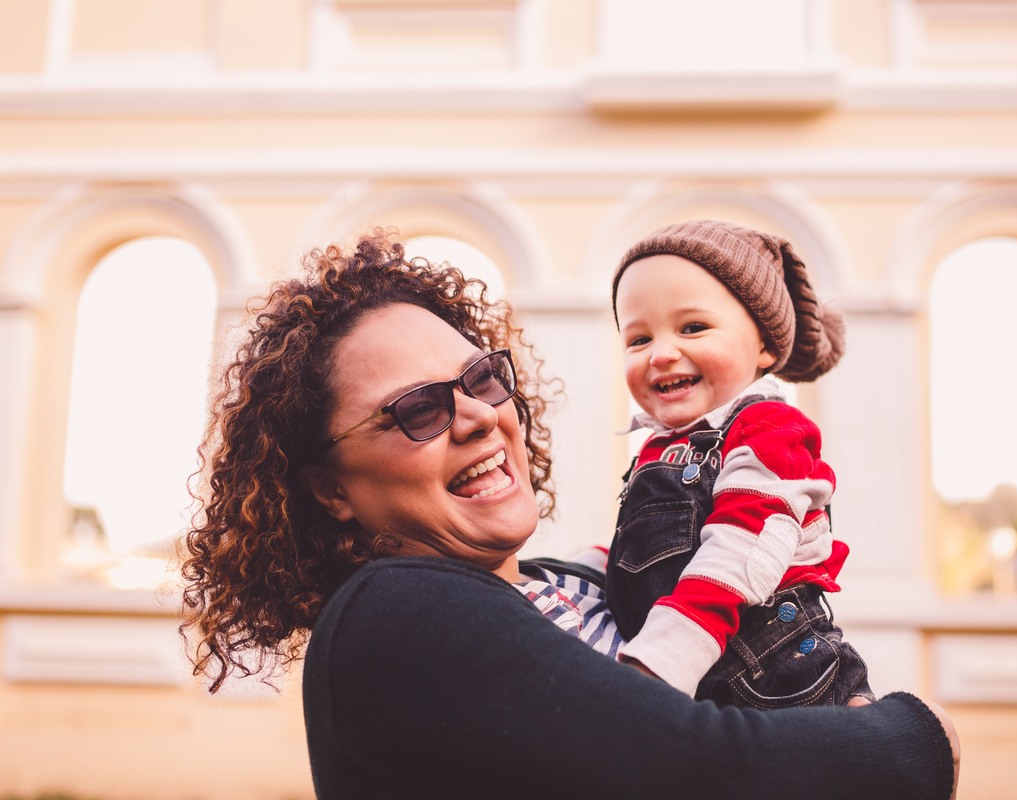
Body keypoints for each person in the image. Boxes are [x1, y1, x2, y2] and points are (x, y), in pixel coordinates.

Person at [182, 228, 959, 799]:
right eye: (416, 409)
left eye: (482, 379)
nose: (479, 417)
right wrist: (919, 739)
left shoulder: (573, 587)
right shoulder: (393, 609)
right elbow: (695, 767)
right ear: (330, 489)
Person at [608, 219, 871, 708]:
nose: (661, 354)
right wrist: (572, 572)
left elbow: (743, 546)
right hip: (700, 684)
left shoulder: (769, 429)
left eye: (693, 328)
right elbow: (637, 555)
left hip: (779, 677)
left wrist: (664, 658)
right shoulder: (661, 448)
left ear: (764, 345)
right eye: (638, 339)